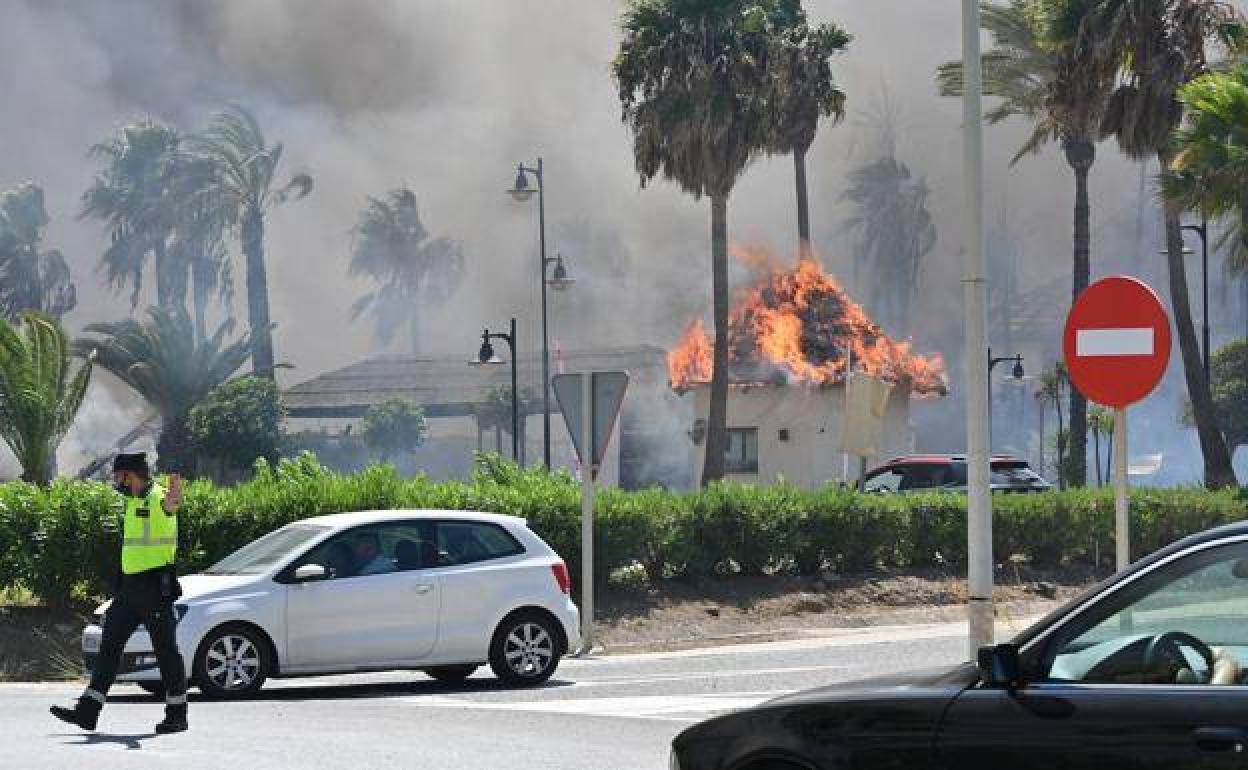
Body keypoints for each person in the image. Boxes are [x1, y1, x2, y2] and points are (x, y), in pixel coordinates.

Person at [50, 453, 189, 734]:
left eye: (119, 476)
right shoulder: (132, 501)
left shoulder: (159, 497)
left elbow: (171, 506)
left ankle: (177, 714)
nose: (115, 481)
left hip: (154, 588)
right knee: (109, 648)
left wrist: (174, 498)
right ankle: (87, 712)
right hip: (128, 590)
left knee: (166, 652)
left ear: (132, 475)